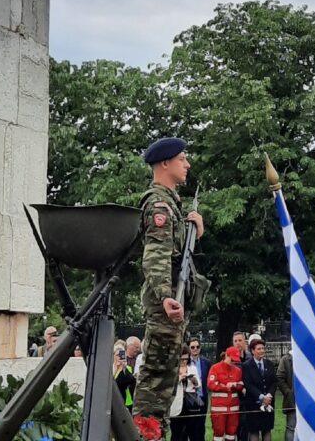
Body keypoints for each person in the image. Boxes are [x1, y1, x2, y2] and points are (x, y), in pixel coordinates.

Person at [133, 137, 206, 440]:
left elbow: (176, 255)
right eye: (182, 159)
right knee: (155, 380)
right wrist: (165, 296)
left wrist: (196, 232)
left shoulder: (172, 205)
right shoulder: (159, 204)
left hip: (171, 302)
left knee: (164, 381)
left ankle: (154, 433)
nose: (187, 164)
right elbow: (156, 257)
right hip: (166, 303)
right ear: (164, 163)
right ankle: (146, 434)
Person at [242, 339, 276, 441]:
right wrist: (261, 397)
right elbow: (248, 384)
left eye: (263, 348)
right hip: (253, 403)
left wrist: (269, 395)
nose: (262, 350)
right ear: (252, 351)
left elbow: (274, 382)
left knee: (267, 429)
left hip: (268, 403)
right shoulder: (246, 366)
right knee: (254, 430)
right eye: (259, 349)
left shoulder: (269, 364)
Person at [209, 346, 244, 441]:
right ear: (226, 356)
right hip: (218, 409)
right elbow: (211, 384)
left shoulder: (238, 370)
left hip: (233, 408)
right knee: (218, 434)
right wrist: (226, 387)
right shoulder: (215, 368)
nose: (233, 362)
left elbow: (241, 384)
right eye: (232, 359)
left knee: (232, 433)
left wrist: (235, 386)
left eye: (235, 360)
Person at [170, 345, 202, 441]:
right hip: (177, 405)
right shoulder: (172, 370)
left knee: (193, 431)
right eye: (182, 359)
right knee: (177, 433)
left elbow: (198, 385)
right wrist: (179, 379)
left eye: (186, 359)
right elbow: (169, 386)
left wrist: (194, 380)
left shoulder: (192, 368)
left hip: (191, 403)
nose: (184, 361)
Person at [276, 351, 295, 441]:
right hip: (293, 400)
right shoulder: (286, 359)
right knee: (291, 427)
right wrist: (288, 392)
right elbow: (279, 378)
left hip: (309, 401)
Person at [114, 344, 136, 413]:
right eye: (117, 355)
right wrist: (116, 369)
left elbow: (131, 380)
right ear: (113, 356)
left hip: (126, 401)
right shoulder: (110, 368)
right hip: (113, 399)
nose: (119, 357)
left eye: (121, 355)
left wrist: (123, 367)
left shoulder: (127, 368)